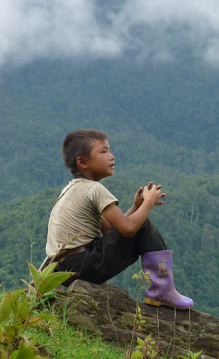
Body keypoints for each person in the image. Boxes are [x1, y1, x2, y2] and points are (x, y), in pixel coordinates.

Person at [45, 129, 193, 310]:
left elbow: (110, 230)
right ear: (82, 162)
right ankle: (162, 289)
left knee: (139, 226)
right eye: (103, 151)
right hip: (84, 265)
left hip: (64, 270)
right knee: (143, 227)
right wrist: (148, 203)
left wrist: (136, 207)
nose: (111, 156)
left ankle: (162, 288)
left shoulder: (73, 189)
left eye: (109, 150)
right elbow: (129, 229)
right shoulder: (94, 190)